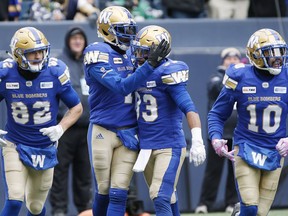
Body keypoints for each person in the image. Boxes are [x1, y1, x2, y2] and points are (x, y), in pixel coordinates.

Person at [83, 6, 170, 216]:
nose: (129, 35)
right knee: (103, 190)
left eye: (130, 29)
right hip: (103, 129)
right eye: (122, 29)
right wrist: (149, 64)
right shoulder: (96, 53)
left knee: (119, 191)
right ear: (107, 30)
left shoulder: (134, 52)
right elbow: (121, 86)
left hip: (129, 131)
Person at [0, 27, 83, 216]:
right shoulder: (5, 74)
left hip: (45, 146)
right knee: (14, 199)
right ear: (18, 54)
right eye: (32, 53)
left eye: (41, 51)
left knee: (36, 207)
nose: (38, 56)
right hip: (15, 143)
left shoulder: (55, 72)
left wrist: (61, 128)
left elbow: (77, 108)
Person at [208, 28, 288, 216]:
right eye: (270, 53)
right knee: (250, 207)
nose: (277, 58)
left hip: (275, 151)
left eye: (279, 52)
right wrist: (216, 137)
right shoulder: (240, 76)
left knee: (260, 214)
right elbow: (217, 113)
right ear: (255, 55)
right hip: (246, 147)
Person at [131, 25, 206, 216]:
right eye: (138, 50)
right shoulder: (136, 72)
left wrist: (197, 139)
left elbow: (189, 108)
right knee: (168, 195)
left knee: (159, 195)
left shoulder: (168, 71)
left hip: (169, 145)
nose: (138, 55)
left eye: (144, 52)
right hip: (146, 147)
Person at [49, 27, 92, 216]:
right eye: (73, 38)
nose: (77, 41)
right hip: (65, 127)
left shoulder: (90, 63)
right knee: (59, 172)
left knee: (84, 173)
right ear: (68, 41)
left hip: (87, 127)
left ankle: (85, 210)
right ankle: (59, 210)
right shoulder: (60, 64)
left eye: (80, 38)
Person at [195, 47, 240, 214]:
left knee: (234, 172)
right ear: (223, 61)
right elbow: (216, 88)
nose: (232, 61)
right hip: (219, 134)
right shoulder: (217, 77)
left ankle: (232, 202)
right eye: (229, 58)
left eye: (236, 58)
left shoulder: (244, 79)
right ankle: (205, 203)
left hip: (237, 133)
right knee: (213, 171)